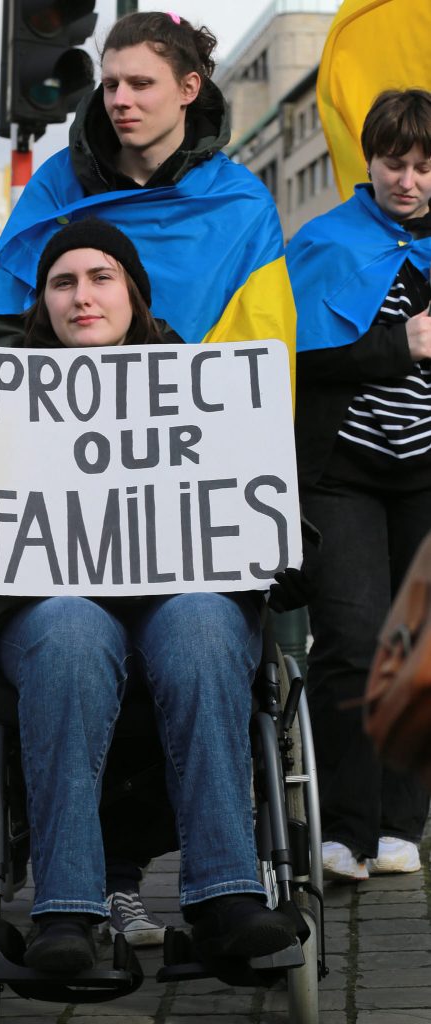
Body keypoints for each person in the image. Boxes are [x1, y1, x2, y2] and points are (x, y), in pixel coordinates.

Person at [0, 9, 296, 946]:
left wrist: (272, 530)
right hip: (61, 563)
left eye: (141, 81)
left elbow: (258, 374)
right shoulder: (54, 191)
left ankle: (218, 892)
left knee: (201, 627)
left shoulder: (240, 204)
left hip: (179, 515)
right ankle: (69, 898)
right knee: (62, 635)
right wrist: (2, 475)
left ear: (188, 89)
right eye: (111, 82)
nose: (121, 98)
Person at [287, 89, 431, 882]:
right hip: (339, 474)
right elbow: (294, 363)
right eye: (391, 163)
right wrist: (398, 344)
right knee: (348, 642)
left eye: (421, 165)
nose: (406, 180)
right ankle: (341, 826)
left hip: (425, 475)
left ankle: (401, 821)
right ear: (366, 161)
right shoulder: (323, 243)